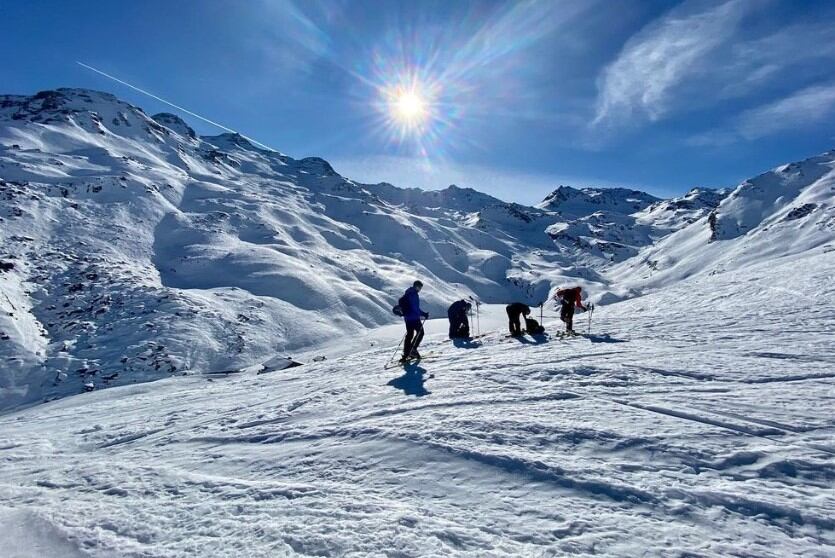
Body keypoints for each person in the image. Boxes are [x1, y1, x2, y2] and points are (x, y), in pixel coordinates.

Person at [399, 280, 429, 362]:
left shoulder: (407, 293)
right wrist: (423, 314)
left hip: (407, 319)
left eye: (420, 288)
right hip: (414, 318)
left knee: (409, 335)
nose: (419, 289)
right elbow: (415, 308)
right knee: (421, 333)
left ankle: (406, 353)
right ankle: (413, 349)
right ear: (416, 286)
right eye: (419, 287)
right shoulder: (413, 294)